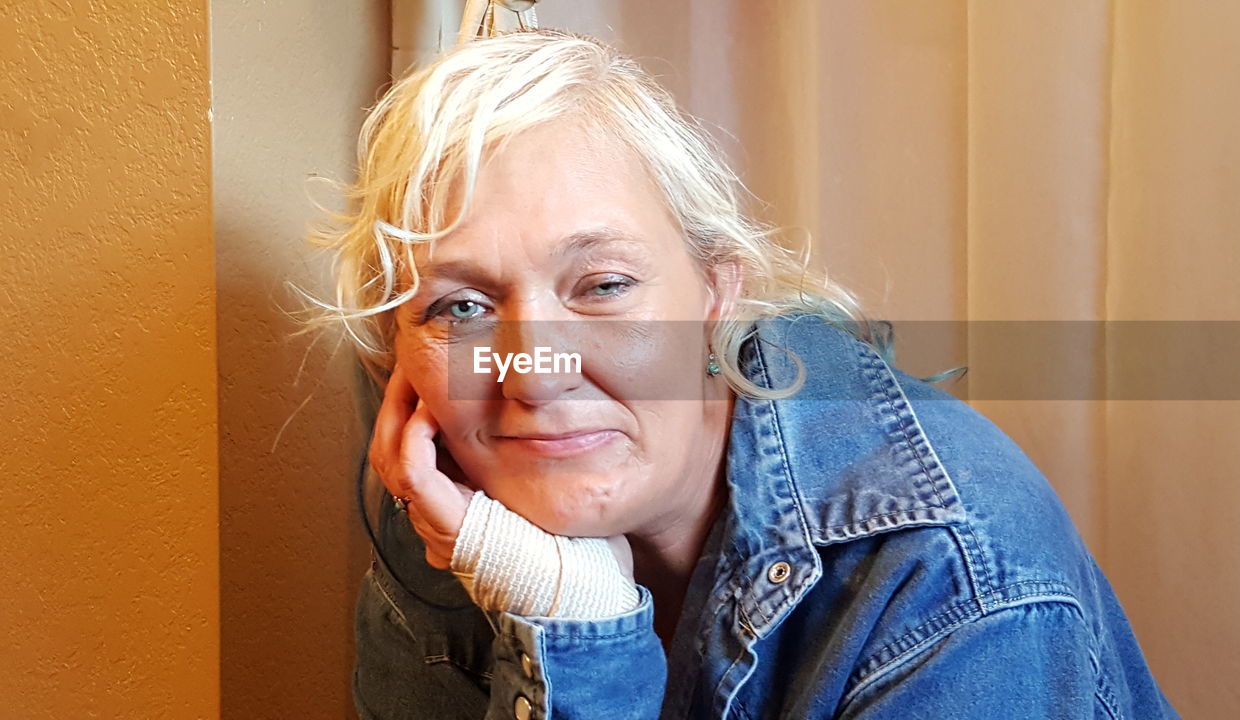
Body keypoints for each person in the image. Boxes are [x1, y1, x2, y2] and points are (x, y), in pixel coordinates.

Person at [306, 27, 1180, 720]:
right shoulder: (453, 508)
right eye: (459, 308)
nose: (534, 377)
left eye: (605, 286)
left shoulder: (948, 570)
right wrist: (547, 596)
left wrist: (574, 641)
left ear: (717, 294)